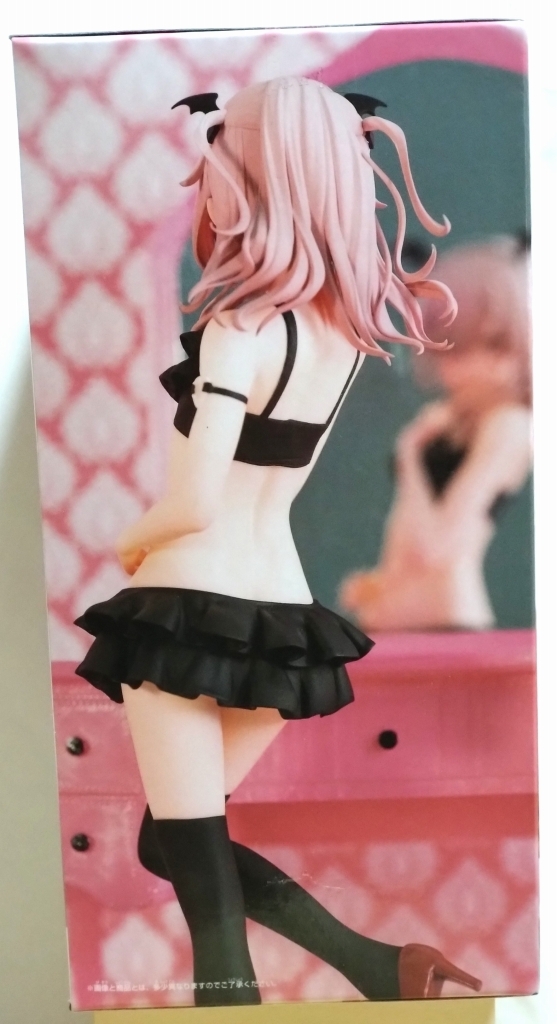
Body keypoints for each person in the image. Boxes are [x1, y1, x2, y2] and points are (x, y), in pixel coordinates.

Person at [74, 77, 481, 1005]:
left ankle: (238, 1006)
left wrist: (131, 544)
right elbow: (280, 483)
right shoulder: (341, 333)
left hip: (188, 603)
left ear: (249, 184)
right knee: (172, 841)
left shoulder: (238, 330)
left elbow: (191, 505)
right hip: (284, 616)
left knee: (196, 873)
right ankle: (380, 966)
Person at [340, 234, 532, 633]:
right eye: (443, 350)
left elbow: (439, 548)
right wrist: (380, 585)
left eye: (464, 350)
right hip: (408, 626)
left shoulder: (509, 424)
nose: (448, 370)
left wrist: (411, 456)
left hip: (445, 627)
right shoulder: (459, 417)